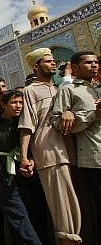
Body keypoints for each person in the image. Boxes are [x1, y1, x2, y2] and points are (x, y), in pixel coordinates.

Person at [19, 48, 81, 245]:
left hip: (70, 152)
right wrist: (24, 157)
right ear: (37, 66)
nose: (53, 63)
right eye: (48, 61)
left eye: (54, 61)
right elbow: (27, 126)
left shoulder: (60, 89)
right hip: (49, 153)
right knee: (62, 207)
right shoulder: (30, 91)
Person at [51, 51, 101, 245]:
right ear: (75, 67)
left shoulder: (97, 89)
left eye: (96, 62)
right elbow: (57, 121)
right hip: (92, 158)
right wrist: (90, 116)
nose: (94, 65)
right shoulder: (69, 90)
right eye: (88, 63)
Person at [0, 90, 42, 245]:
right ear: (3, 105)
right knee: (16, 213)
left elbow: (30, 146)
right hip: (1, 171)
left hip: (22, 171)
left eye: (21, 103)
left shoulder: (23, 122)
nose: (18, 106)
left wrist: (29, 161)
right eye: (14, 102)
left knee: (27, 211)